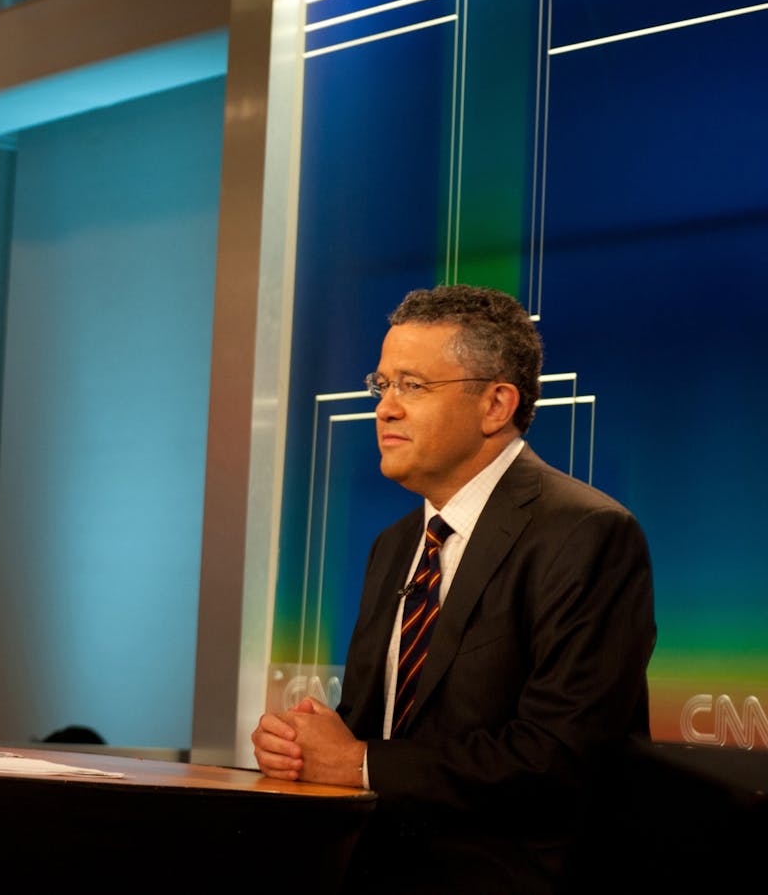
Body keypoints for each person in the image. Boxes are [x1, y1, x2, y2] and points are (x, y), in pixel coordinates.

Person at [251, 284, 655, 893]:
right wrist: (305, 745)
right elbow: (374, 728)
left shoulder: (586, 533)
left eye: (413, 386)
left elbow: (559, 758)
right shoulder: (395, 544)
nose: (385, 409)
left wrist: (357, 762)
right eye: (381, 385)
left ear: (496, 405)